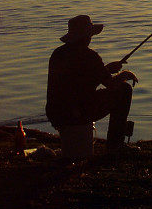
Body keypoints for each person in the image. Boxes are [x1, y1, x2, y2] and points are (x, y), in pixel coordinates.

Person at [46, 14, 138, 154]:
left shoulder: (58, 54)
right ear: (86, 36)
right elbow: (111, 85)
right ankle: (115, 145)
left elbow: (79, 80)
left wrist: (106, 69)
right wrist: (124, 75)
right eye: (90, 35)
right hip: (78, 112)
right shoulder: (89, 56)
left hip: (56, 113)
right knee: (124, 90)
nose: (91, 38)